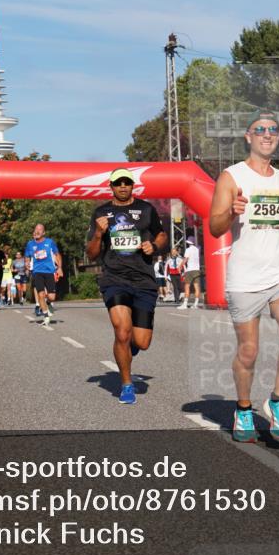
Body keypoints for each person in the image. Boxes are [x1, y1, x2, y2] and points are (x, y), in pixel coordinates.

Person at [209, 110, 279, 442]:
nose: (267, 134)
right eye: (260, 130)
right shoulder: (231, 177)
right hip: (245, 277)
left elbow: (278, 225)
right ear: (248, 137)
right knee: (248, 351)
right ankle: (244, 408)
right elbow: (214, 226)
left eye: (273, 130)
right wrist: (229, 211)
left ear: (277, 138)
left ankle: (277, 402)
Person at [86, 168, 167, 405]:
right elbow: (91, 254)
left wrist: (154, 245)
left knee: (141, 342)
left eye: (127, 182)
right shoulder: (101, 213)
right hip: (114, 278)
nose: (122, 186)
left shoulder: (145, 209)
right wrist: (99, 235)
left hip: (143, 279)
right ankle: (127, 384)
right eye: (118, 183)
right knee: (121, 331)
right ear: (110, 186)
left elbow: (161, 236)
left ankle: (130, 345)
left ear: (133, 185)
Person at [25, 224, 63, 325]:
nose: (37, 231)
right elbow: (27, 256)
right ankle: (46, 316)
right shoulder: (30, 244)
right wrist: (27, 263)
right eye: (36, 229)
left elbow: (57, 255)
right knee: (40, 294)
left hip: (49, 271)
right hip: (37, 272)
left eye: (40, 230)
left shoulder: (49, 242)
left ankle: (49, 304)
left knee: (52, 297)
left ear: (43, 233)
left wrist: (59, 268)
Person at [178, 237, 203, 309]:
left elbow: (186, 259)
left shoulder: (188, 250)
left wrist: (180, 266)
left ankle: (185, 304)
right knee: (197, 287)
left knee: (187, 286)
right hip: (197, 269)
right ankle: (196, 304)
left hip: (190, 270)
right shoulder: (198, 249)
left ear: (188, 243)